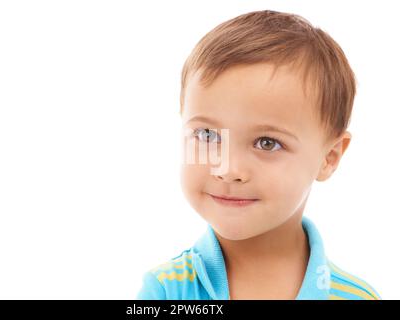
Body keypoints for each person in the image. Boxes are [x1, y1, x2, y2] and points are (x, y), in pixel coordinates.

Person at [137, 9, 381, 300]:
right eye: (207, 135)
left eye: (267, 143)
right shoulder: (166, 291)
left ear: (329, 157)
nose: (227, 169)